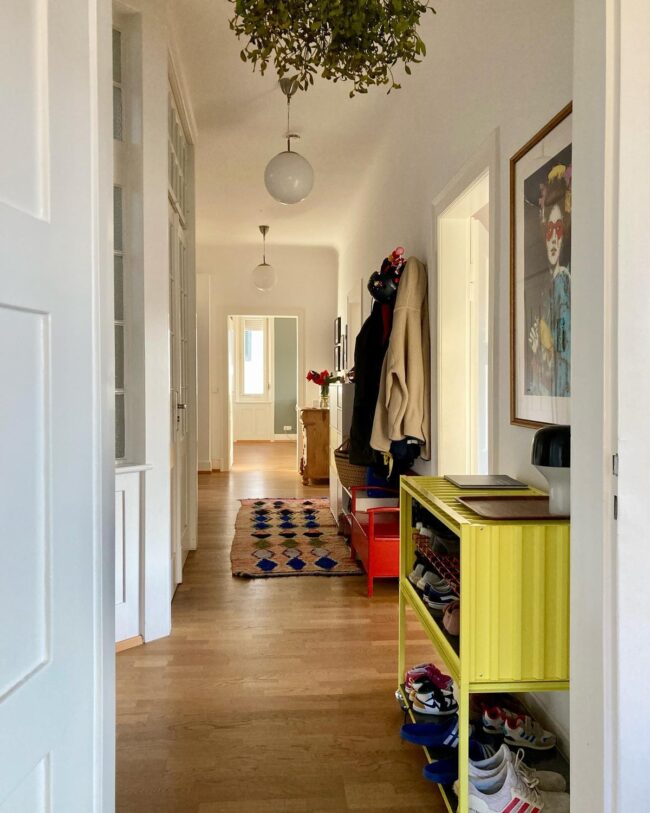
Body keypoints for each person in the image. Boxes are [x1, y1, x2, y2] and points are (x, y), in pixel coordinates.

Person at [526, 164, 571, 397]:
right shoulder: (547, 286)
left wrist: (546, 345)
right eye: (549, 230)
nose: (553, 239)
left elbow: (566, 351)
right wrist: (538, 349)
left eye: (558, 229)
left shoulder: (564, 283)